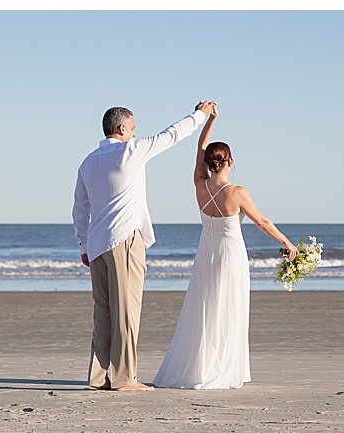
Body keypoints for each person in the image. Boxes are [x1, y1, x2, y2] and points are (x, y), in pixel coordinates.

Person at [73, 101, 215, 391]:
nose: (136, 134)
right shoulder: (131, 151)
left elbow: (79, 208)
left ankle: (100, 377)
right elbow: (173, 134)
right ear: (122, 128)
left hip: (98, 244)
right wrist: (200, 114)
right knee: (126, 310)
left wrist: (83, 244)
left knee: (104, 311)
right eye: (134, 129)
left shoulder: (88, 162)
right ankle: (125, 378)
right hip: (124, 239)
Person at [152, 104, 296, 389]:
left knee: (204, 308)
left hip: (206, 253)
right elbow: (263, 222)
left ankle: (199, 366)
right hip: (230, 256)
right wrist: (287, 242)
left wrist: (209, 118)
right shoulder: (237, 192)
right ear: (229, 160)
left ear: (208, 163)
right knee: (230, 307)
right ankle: (222, 367)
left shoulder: (199, 185)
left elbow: (200, 146)